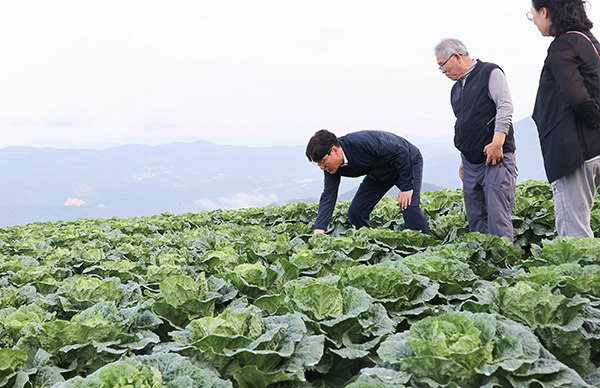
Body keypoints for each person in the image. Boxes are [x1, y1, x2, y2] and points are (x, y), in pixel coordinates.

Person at [434, 38, 517, 242]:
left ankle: (506, 269)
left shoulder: (490, 72)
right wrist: (464, 159)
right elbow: (464, 124)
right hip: (471, 163)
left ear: (457, 57)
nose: (443, 71)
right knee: (476, 219)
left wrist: (497, 143)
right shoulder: (456, 89)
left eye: (442, 65)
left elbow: (505, 107)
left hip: (495, 158)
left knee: (498, 217)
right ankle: (484, 269)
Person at [529, 0, 600, 237]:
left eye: (533, 14)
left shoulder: (562, 45)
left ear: (545, 12)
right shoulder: (589, 40)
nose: (535, 21)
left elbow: (577, 97)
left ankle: (583, 275)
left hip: (575, 151)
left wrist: (596, 120)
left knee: (573, 232)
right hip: (594, 147)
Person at [306, 129, 430, 235]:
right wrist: (319, 228)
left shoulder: (361, 142)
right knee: (356, 211)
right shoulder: (331, 168)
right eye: (319, 165)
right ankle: (367, 243)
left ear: (334, 151)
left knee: (409, 206)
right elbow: (328, 196)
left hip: (406, 161)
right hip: (378, 172)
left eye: (322, 162)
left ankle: (423, 247)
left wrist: (406, 187)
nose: (322, 167)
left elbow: (401, 152)